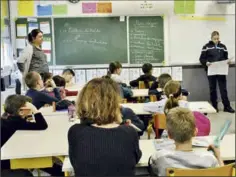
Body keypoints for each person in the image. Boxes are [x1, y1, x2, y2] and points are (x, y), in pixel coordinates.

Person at [68, 78, 142, 176]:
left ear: (83, 102)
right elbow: (135, 159)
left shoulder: (75, 132)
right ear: (115, 103)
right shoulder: (129, 132)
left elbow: (75, 162)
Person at [149, 107, 224, 176]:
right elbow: (222, 173)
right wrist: (218, 156)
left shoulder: (159, 158)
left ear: (169, 135)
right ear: (195, 132)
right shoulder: (210, 159)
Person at [144, 80, 210, 137]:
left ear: (164, 93)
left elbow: (145, 106)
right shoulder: (185, 105)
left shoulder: (160, 104)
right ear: (180, 94)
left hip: (165, 135)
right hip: (183, 135)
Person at [1, 95, 48, 172]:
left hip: (9, 154)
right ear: (21, 111)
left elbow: (27, 121)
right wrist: (35, 110)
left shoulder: (8, 118)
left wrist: (26, 113)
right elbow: (42, 125)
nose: (30, 109)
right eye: (29, 107)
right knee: (39, 158)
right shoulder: (16, 122)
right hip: (7, 161)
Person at [199, 31, 234, 113]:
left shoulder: (223, 47)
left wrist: (228, 62)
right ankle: (214, 107)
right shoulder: (206, 46)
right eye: (215, 39)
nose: (216, 40)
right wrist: (206, 63)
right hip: (211, 71)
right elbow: (202, 59)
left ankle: (227, 106)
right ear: (211, 38)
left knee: (223, 89)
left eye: (218, 38)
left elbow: (226, 58)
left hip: (221, 70)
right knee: (213, 89)